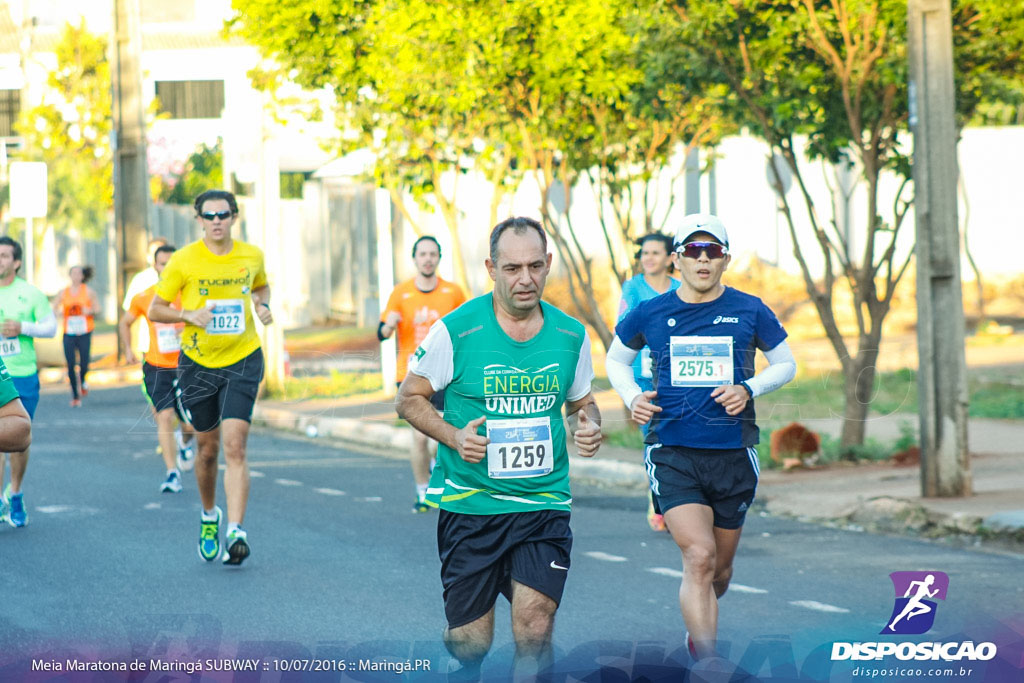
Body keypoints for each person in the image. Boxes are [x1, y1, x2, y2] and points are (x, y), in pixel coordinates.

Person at [396, 217, 603, 680]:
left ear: (549, 264)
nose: (525, 279)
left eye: (534, 266)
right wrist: (454, 437)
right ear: (491, 268)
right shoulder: (456, 331)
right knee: (472, 643)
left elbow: (582, 402)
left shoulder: (571, 335)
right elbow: (407, 398)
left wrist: (588, 425)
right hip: (471, 505)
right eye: (512, 268)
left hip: (542, 502)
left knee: (535, 626)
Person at [606, 213, 796, 661]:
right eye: (693, 250)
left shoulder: (750, 309)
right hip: (672, 450)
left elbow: (786, 363)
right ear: (676, 260)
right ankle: (708, 662)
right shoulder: (651, 312)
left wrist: (748, 388)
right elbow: (616, 361)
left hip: (733, 453)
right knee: (700, 557)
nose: (703, 258)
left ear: (726, 259)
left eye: (712, 250)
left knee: (721, 572)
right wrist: (633, 396)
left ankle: (701, 629)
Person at [148, 189, 273, 566]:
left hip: (243, 359)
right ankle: (209, 515)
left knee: (235, 447)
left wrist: (262, 304)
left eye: (223, 214)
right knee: (207, 449)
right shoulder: (184, 260)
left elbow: (260, 285)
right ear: (199, 220)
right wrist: (189, 316)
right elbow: (156, 308)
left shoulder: (251, 255)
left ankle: (236, 530)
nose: (217, 221)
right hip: (198, 364)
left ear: (234, 217)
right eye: (209, 215)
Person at [379, 235, 467, 513]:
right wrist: (389, 326)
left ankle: (432, 470)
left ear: (438, 258)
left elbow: (467, 329)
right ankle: (422, 491)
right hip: (410, 374)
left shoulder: (453, 293)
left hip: (444, 374)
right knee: (419, 436)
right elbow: (380, 333)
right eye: (422, 254)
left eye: (432, 254)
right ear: (414, 259)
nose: (428, 258)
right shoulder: (401, 292)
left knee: (438, 436)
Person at [118, 244, 196, 494]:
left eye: (172, 263)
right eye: (163, 264)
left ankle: (184, 443)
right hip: (156, 365)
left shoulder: (190, 294)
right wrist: (128, 350)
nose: (167, 268)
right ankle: (172, 473)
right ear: (155, 266)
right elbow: (125, 321)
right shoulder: (145, 296)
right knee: (164, 416)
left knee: (190, 426)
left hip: (187, 364)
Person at [617, 233, 680, 532]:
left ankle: (679, 498)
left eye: (656, 253)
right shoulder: (632, 288)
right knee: (653, 435)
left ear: (671, 258)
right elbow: (623, 328)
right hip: (645, 377)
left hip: (680, 374)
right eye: (645, 253)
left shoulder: (682, 288)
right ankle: (657, 499)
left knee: (678, 436)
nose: (649, 258)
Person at [0, 237, 56, 527]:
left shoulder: (30, 294)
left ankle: (17, 492)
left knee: (18, 437)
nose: (0, 260)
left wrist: (23, 327)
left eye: (5, 255)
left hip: (21, 374)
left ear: (16, 262)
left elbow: (51, 327)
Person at [56, 265, 100, 407]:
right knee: (70, 363)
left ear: (82, 276)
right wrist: (60, 312)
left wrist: (89, 310)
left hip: (84, 331)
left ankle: (83, 380)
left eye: (78, 273)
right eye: (73, 273)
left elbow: (98, 309)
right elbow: (54, 308)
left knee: (84, 362)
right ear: (70, 275)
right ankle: (75, 395)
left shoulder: (88, 292)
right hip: (69, 332)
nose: (76, 276)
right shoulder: (64, 292)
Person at [123, 237, 169, 357]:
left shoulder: (181, 281)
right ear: (149, 256)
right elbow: (129, 314)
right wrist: (129, 348)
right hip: (148, 343)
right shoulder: (140, 279)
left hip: (179, 344)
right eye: (154, 252)